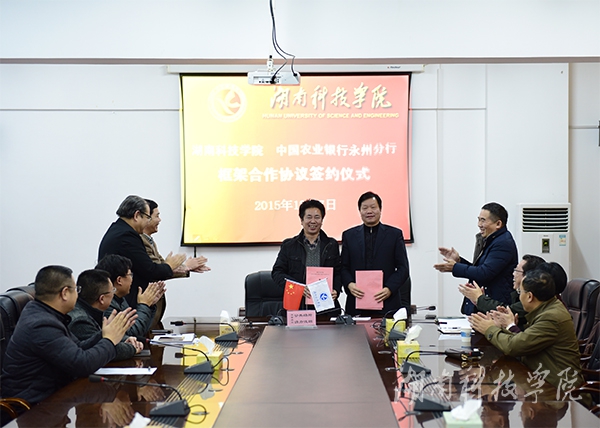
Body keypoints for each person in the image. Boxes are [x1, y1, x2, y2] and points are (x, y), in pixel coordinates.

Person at [1, 265, 136, 404]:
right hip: (32, 407)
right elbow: (83, 364)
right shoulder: (42, 325)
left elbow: (79, 347)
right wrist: (109, 340)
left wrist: (105, 334)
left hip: (53, 398)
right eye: (76, 289)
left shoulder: (45, 314)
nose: (78, 295)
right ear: (65, 293)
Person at [469, 270, 584, 391]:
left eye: (519, 292)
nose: (519, 297)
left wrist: (489, 329)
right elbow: (525, 341)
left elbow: (514, 347)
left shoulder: (550, 317)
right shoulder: (547, 309)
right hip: (543, 380)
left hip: (560, 390)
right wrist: (502, 327)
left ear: (529, 296)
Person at [98, 195, 186, 309]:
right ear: (137, 215)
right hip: (123, 304)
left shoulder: (119, 230)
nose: (148, 222)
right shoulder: (127, 236)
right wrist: (170, 265)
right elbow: (149, 270)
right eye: (148, 217)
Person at [434, 202, 518, 315]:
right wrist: (459, 261)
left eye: (483, 220)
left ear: (498, 224)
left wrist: (455, 267)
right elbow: (481, 269)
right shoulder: (491, 240)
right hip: (485, 305)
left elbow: (484, 273)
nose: (479, 225)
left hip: (495, 307)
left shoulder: (503, 243)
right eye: (478, 220)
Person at [142, 199, 210, 328]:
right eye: (157, 216)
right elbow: (157, 270)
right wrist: (186, 267)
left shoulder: (149, 240)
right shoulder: (141, 241)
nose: (160, 220)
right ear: (146, 218)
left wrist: (186, 268)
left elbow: (162, 266)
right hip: (146, 306)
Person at [341, 191, 410, 316]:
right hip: (357, 301)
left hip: (387, 302)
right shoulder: (349, 235)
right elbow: (343, 267)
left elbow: (403, 268)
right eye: (365, 208)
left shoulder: (394, 235)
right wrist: (349, 284)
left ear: (380, 209)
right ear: (359, 211)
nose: (369, 211)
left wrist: (389, 288)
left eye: (373, 207)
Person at [271, 199, 342, 312]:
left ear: (322, 220)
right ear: (301, 220)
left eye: (317, 217)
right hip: (298, 305)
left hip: (325, 305)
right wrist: (298, 288)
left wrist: (336, 290)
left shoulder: (331, 244)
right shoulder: (289, 245)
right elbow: (277, 273)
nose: (313, 221)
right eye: (309, 217)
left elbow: (338, 272)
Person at [68, 269, 144, 361]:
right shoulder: (80, 321)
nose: (114, 294)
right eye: (113, 290)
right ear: (102, 299)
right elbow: (105, 349)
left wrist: (125, 339)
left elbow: (104, 336)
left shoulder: (92, 311)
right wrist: (132, 348)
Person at [458, 254, 545, 330]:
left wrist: (479, 298)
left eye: (517, 271)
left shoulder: (533, 300)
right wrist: (478, 301)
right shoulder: (517, 294)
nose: (513, 274)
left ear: (528, 276)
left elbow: (509, 312)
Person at [96, 254, 164, 337]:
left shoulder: (120, 299)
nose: (132, 279)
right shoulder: (107, 304)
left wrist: (149, 306)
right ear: (119, 280)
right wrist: (144, 305)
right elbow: (132, 332)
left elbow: (142, 329)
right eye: (130, 275)